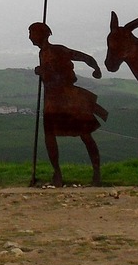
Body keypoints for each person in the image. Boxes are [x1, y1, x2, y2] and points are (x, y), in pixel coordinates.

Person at [30, 22, 107, 187]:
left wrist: (96, 68)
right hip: (52, 101)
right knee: (50, 136)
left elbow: (82, 58)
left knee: (85, 134)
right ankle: (57, 173)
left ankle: (96, 173)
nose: (29, 37)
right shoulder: (43, 53)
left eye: (31, 33)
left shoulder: (57, 50)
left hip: (67, 99)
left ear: (40, 34)